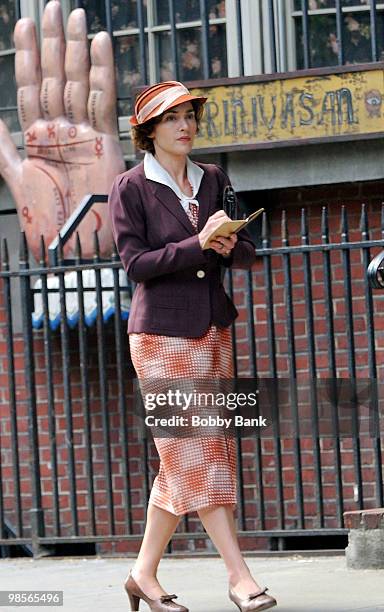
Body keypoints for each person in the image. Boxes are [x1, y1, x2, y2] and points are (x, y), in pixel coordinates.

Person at [108, 80, 277, 612]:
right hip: (160, 335)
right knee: (198, 451)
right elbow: (136, 266)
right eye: (172, 118)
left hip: (213, 330)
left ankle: (141, 575)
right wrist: (195, 244)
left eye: (190, 116)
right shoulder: (131, 187)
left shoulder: (215, 179)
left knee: (188, 457)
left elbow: (247, 250)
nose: (186, 126)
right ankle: (240, 577)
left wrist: (228, 244)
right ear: (149, 131)